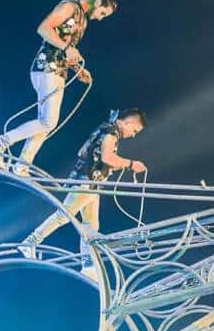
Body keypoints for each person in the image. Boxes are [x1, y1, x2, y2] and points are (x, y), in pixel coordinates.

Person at [0, 0, 118, 176]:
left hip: (58, 72)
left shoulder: (83, 21)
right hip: (46, 68)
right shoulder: (69, 7)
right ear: (97, 3)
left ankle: (22, 166)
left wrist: (77, 69)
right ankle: (0, 142)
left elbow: (64, 47)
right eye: (102, 13)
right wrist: (67, 48)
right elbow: (43, 29)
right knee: (48, 122)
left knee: (44, 123)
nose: (100, 18)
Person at [19, 108, 147, 275]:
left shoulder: (107, 129)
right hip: (87, 182)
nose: (133, 135)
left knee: (91, 225)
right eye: (134, 130)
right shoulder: (111, 132)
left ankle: (88, 266)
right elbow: (107, 157)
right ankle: (30, 242)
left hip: (92, 183)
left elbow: (94, 154)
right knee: (65, 215)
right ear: (127, 122)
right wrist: (131, 164)